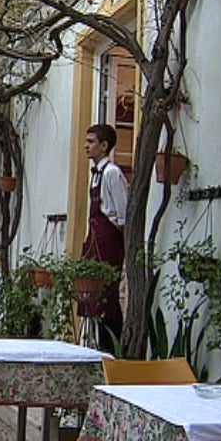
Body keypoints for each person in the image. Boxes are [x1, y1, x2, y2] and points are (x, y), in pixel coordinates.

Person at [80, 123, 128, 354]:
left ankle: (112, 348)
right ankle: (98, 346)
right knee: (93, 295)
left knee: (108, 297)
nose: (86, 146)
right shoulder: (96, 175)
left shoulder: (112, 174)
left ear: (104, 145)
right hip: (95, 240)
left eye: (91, 142)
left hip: (109, 241)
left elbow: (122, 214)